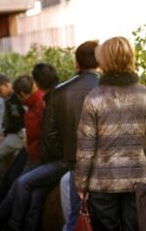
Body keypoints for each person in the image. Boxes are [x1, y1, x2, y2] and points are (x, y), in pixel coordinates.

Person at [75, 36, 146, 231]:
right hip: (138, 180)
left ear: (103, 61)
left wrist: (81, 184)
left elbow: (85, 149)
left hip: (102, 182)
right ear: (131, 57)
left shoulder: (94, 98)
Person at [0, 64, 59, 231]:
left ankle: (3, 223)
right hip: (33, 153)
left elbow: (46, 136)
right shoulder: (36, 103)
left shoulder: (42, 104)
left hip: (41, 156)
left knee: (19, 185)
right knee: (18, 186)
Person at [56, 41, 100, 231]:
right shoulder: (107, 89)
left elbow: (51, 134)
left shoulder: (61, 91)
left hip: (74, 161)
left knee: (77, 214)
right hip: (106, 163)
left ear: (76, 62)